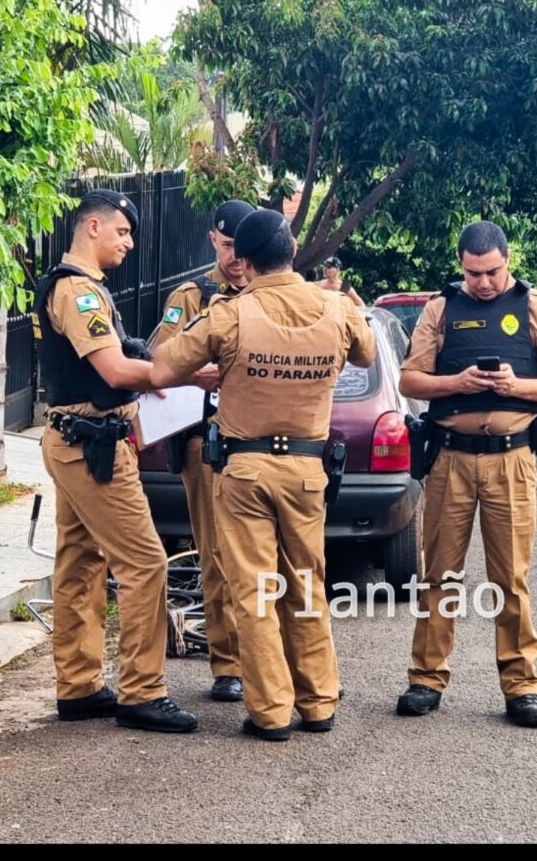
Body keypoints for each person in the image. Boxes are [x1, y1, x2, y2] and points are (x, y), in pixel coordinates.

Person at [148, 207, 375, 740]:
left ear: (243, 262)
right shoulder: (337, 307)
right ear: (294, 252)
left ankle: (270, 712)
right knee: (307, 585)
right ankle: (318, 703)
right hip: (307, 470)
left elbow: (161, 367)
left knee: (252, 589)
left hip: (244, 471)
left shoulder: (228, 314)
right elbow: (366, 355)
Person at [394, 221, 537, 727]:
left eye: (492, 271)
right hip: (449, 457)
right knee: (438, 574)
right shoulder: (441, 308)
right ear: (461, 265)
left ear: (507, 258)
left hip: (511, 460)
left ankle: (521, 686)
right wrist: (456, 382)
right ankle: (426, 679)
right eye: (474, 273)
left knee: (510, 577)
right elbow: (410, 378)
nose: (484, 282)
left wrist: (517, 386)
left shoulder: (535, 308)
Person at [31, 187, 196, 731]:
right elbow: (115, 371)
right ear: (93, 228)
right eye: (123, 232)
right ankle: (142, 691)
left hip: (76, 440)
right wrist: (184, 374)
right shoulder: (78, 292)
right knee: (145, 562)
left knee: (81, 563)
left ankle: (78, 687)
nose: (129, 243)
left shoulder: (81, 288)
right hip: (91, 446)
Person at [153, 200, 250, 703]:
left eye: (243, 246)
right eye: (227, 245)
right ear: (214, 240)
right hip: (207, 442)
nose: (235, 257)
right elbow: (160, 361)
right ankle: (228, 663)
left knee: (270, 557)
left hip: (262, 443)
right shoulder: (193, 296)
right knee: (215, 554)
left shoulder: (270, 292)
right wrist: (198, 371)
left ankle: (271, 658)